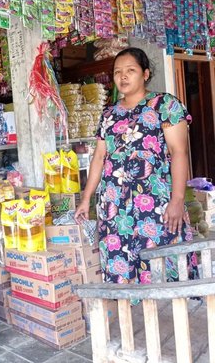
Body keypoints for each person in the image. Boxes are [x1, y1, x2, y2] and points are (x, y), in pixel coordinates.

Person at [74, 47, 197, 284]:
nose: (123, 76)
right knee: (122, 272)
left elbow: (179, 152)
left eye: (130, 70)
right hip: (114, 208)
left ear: (146, 74)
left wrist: (177, 200)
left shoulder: (165, 105)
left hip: (155, 203)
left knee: (163, 269)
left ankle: (170, 316)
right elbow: (99, 157)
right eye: (118, 72)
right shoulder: (108, 114)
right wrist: (86, 198)